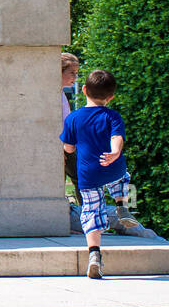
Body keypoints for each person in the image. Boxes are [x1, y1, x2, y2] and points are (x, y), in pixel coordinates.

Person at [60, 69, 141, 278]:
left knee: (91, 211)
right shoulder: (113, 116)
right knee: (122, 177)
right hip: (112, 166)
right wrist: (115, 152)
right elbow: (117, 137)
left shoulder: (73, 118)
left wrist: (71, 149)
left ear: (84, 90)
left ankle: (94, 255)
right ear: (111, 96)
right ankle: (122, 206)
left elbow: (68, 147)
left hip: (88, 174)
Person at [60, 52, 81, 206]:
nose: (75, 77)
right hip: (64, 146)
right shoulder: (54, 95)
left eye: (76, 73)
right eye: (71, 73)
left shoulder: (61, 93)